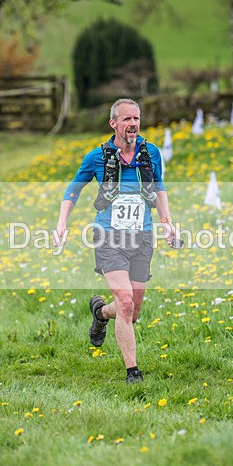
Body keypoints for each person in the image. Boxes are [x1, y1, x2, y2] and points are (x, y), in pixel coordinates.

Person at [55, 98, 177, 384]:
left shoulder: (151, 153)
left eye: (136, 118)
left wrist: (167, 222)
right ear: (113, 123)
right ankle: (133, 372)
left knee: (131, 312)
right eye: (126, 119)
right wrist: (62, 223)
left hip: (142, 237)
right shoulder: (96, 157)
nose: (133, 124)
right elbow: (74, 188)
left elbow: (158, 186)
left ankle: (100, 312)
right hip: (108, 237)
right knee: (125, 302)